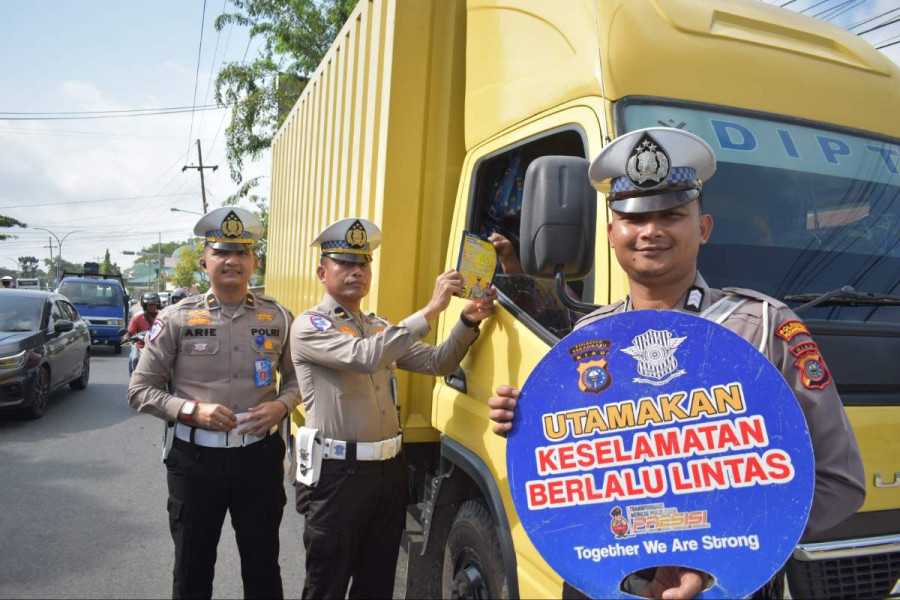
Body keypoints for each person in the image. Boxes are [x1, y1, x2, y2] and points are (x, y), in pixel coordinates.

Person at [487, 127, 866, 600]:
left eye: (671, 214)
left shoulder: (763, 328)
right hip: (605, 584)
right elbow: (571, 473)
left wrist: (720, 554)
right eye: (632, 217)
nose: (651, 231)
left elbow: (840, 482)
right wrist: (526, 424)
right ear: (611, 233)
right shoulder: (586, 340)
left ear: (702, 227)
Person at [291, 217, 496, 599]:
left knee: (377, 584)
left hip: (387, 472)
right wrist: (433, 308)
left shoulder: (378, 325)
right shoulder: (310, 326)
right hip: (337, 476)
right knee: (327, 585)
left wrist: (467, 320)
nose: (356, 272)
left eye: (363, 264)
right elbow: (365, 357)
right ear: (322, 272)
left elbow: (438, 363)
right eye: (344, 263)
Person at [128, 207, 299, 599]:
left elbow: (296, 381)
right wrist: (192, 410)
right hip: (195, 460)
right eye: (223, 252)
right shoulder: (176, 318)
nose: (233, 261)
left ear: (255, 262)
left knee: (262, 567)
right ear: (205, 261)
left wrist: (282, 406)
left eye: (242, 253)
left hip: (258, 459)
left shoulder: (278, 317)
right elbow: (140, 390)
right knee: (192, 568)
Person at [123, 291, 161, 374]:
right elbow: (130, 332)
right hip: (140, 345)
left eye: (153, 304)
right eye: (149, 305)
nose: (151, 307)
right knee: (135, 359)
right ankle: (135, 378)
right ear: (145, 306)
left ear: (157, 305)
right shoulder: (137, 318)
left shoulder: (163, 317)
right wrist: (126, 337)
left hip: (159, 346)